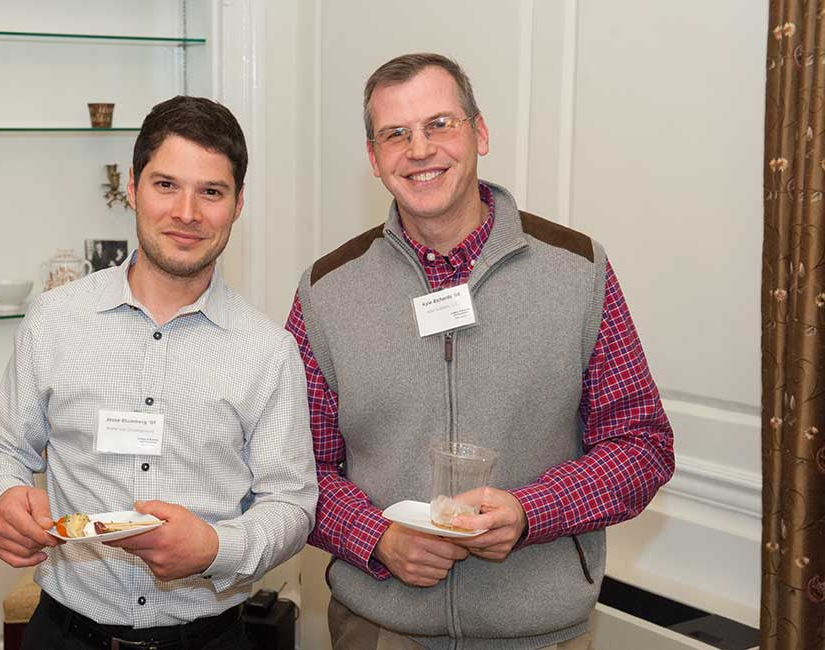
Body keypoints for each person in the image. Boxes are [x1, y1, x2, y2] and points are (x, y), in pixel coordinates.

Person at [286, 53, 675, 649]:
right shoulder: (327, 291)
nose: (420, 150)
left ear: (480, 132)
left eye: (440, 124)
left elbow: (642, 445)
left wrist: (529, 513)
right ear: (374, 158)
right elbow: (297, 467)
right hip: (380, 628)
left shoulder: (577, 270)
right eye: (396, 134)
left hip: (540, 633)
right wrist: (377, 538)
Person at [0, 95, 318, 650]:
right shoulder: (56, 319)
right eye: (165, 185)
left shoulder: (268, 351)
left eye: (211, 191)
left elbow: (292, 503)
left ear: (238, 202)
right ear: (132, 187)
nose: (187, 212)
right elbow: (3, 449)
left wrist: (214, 549)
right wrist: (2, 498)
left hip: (210, 637)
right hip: (65, 634)